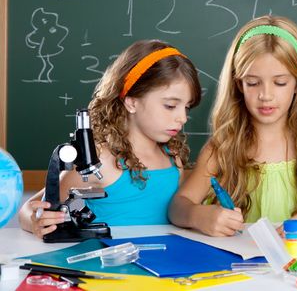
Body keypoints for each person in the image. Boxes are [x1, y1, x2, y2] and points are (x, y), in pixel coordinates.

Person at [170, 15, 297, 237]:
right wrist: (198, 216)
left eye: (280, 82)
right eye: (253, 83)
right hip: (239, 264)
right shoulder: (223, 147)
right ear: (239, 84)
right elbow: (178, 206)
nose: (265, 95)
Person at [19, 39, 201, 238]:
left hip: (165, 264)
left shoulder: (173, 158)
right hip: (110, 265)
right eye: (170, 106)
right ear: (131, 102)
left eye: (187, 107)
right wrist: (36, 220)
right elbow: (30, 209)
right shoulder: (102, 160)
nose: (182, 118)